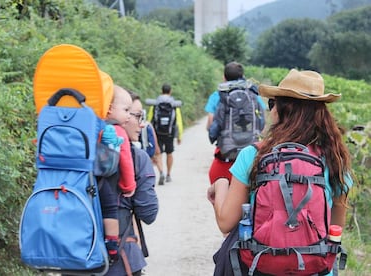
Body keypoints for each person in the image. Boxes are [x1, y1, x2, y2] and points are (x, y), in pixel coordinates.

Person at [207, 69, 353, 275]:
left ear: (281, 109)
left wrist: (221, 184)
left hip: (260, 266)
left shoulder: (253, 154)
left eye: (272, 103)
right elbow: (335, 229)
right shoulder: (334, 157)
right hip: (315, 269)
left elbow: (226, 222)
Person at [106, 89, 159, 276]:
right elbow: (149, 213)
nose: (141, 124)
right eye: (137, 115)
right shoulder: (137, 157)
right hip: (121, 257)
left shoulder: (82, 147)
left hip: (76, 252)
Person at [204, 61, 266, 186]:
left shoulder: (218, 95)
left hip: (227, 154)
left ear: (224, 77)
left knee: (218, 187)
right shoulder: (253, 94)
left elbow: (210, 123)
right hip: (250, 153)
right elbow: (262, 121)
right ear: (242, 76)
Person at [148, 83, 183, 185]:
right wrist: (179, 135)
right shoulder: (174, 104)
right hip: (169, 133)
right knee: (169, 153)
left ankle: (161, 172)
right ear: (170, 91)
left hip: (157, 132)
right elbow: (178, 121)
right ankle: (168, 174)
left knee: (158, 153)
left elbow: (150, 120)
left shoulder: (156, 103)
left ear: (161, 91)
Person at [107, 85, 137, 197]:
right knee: (110, 211)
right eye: (126, 110)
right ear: (110, 109)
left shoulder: (94, 126)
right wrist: (129, 186)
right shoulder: (118, 130)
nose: (129, 115)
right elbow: (126, 160)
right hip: (108, 185)